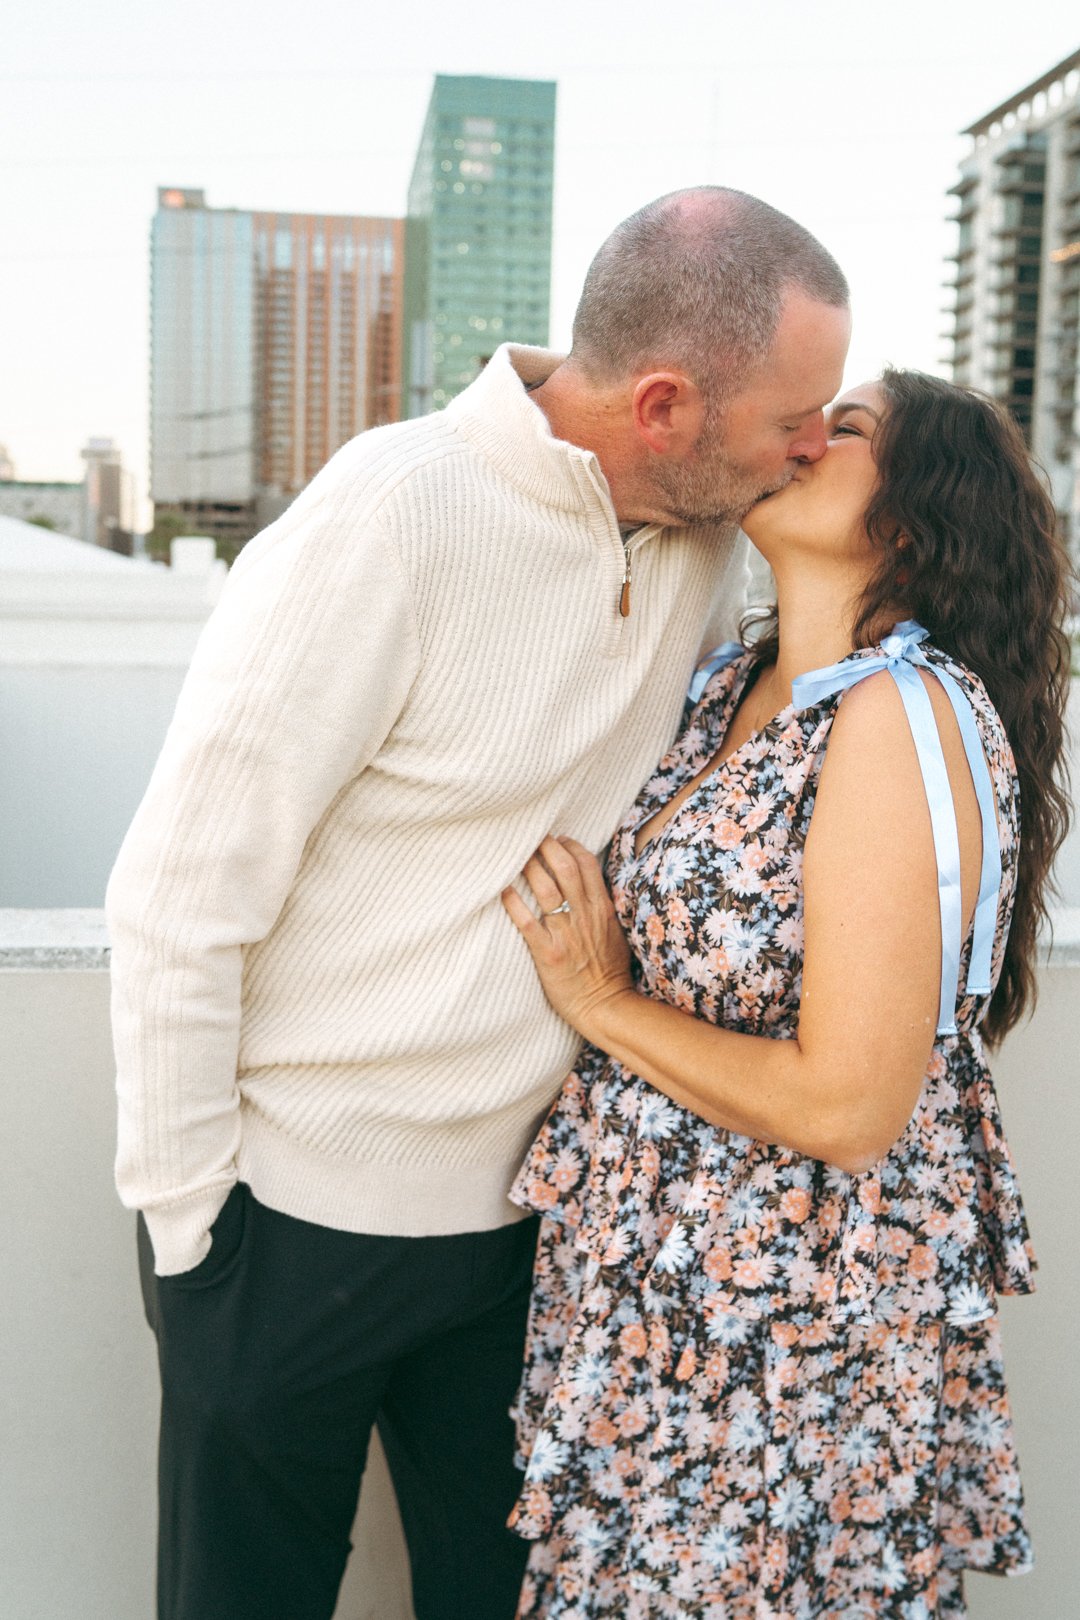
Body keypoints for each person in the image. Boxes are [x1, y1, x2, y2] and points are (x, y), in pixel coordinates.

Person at [105, 186, 851, 1620]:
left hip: (530, 1234)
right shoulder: (387, 516)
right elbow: (183, 899)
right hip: (285, 1225)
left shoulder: (706, 544)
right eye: (794, 421)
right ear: (664, 406)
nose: (814, 448)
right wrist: (197, 1235)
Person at [502, 368, 1073, 1618]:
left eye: (851, 428)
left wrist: (602, 1006)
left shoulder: (903, 716)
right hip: (660, 1290)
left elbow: (851, 1107)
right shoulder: (730, 688)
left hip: (790, 1317)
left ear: (917, 519)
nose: (810, 435)